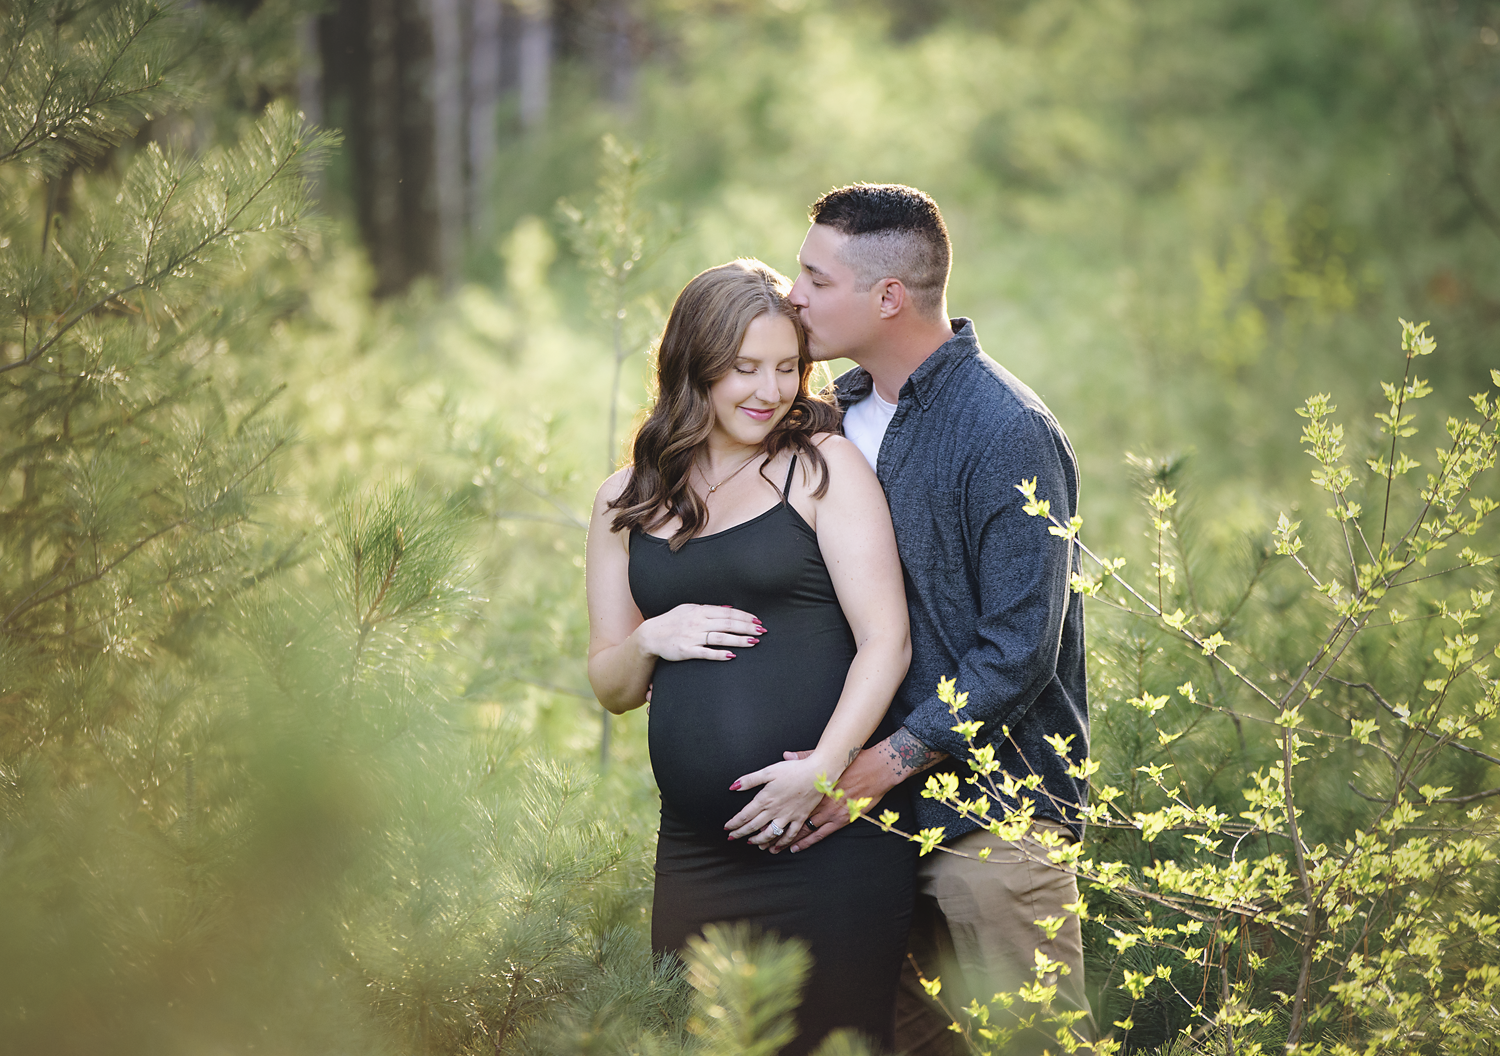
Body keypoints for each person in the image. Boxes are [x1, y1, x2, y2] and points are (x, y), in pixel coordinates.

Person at [771, 184, 1097, 1055]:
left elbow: (1019, 650)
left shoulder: (1008, 430)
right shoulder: (832, 417)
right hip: (870, 837)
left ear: (888, 297)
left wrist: (879, 763)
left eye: (814, 276)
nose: (792, 295)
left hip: (994, 828)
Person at [584, 258, 918, 1055]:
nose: (771, 391)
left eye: (788, 367)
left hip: (828, 849)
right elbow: (610, 684)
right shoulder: (624, 499)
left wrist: (825, 770)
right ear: (691, 366)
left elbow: (888, 640)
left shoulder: (821, 468)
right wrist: (647, 639)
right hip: (696, 857)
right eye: (744, 369)